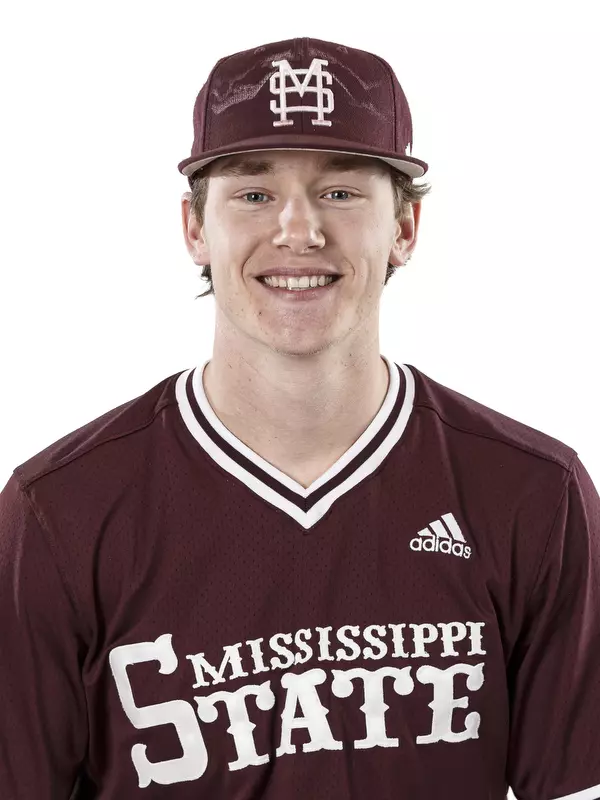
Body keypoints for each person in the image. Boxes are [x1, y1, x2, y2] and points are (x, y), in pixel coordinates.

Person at [0, 36, 598, 800]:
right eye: (254, 194)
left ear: (405, 228)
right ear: (195, 228)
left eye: (340, 192)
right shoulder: (61, 511)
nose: (298, 230)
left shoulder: (533, 494)